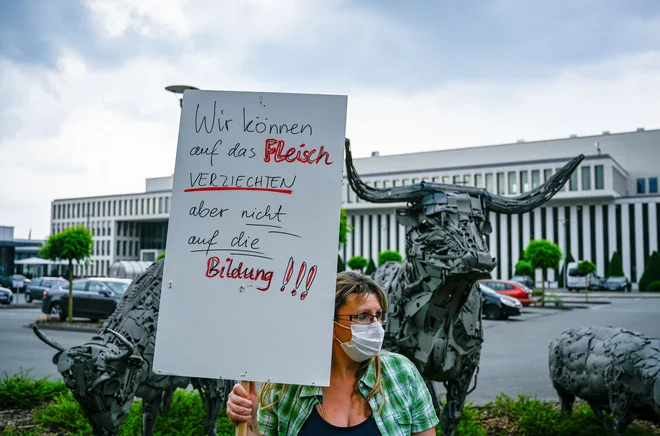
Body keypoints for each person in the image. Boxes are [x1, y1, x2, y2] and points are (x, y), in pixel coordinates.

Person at [226, 270, 439, 435]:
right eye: (363, 316)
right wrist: (250, 417)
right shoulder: (287, 384)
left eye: (378, 315)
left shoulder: (401, 373)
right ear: (329, 325)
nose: (375, 326)